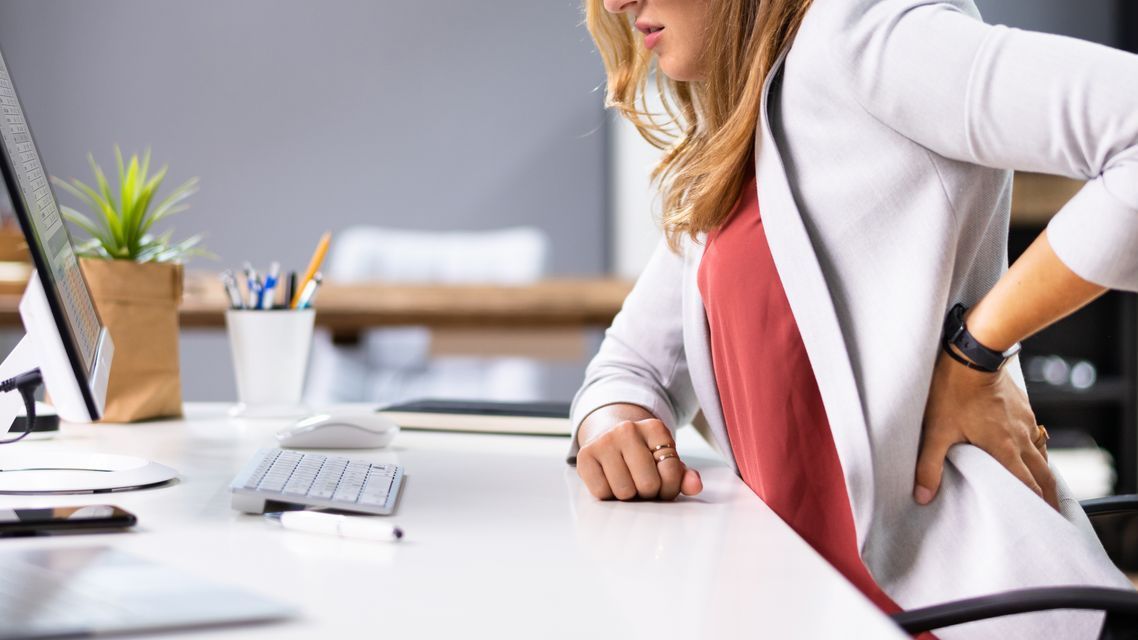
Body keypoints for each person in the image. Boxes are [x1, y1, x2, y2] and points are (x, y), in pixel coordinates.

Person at [568, 0, 1138, 637]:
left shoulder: (863, 30)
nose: (617, 3)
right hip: (814, 612)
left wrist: (975, 353)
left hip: (966, 617)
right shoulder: (744, 123)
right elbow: (633, 365)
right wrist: (613, 423)